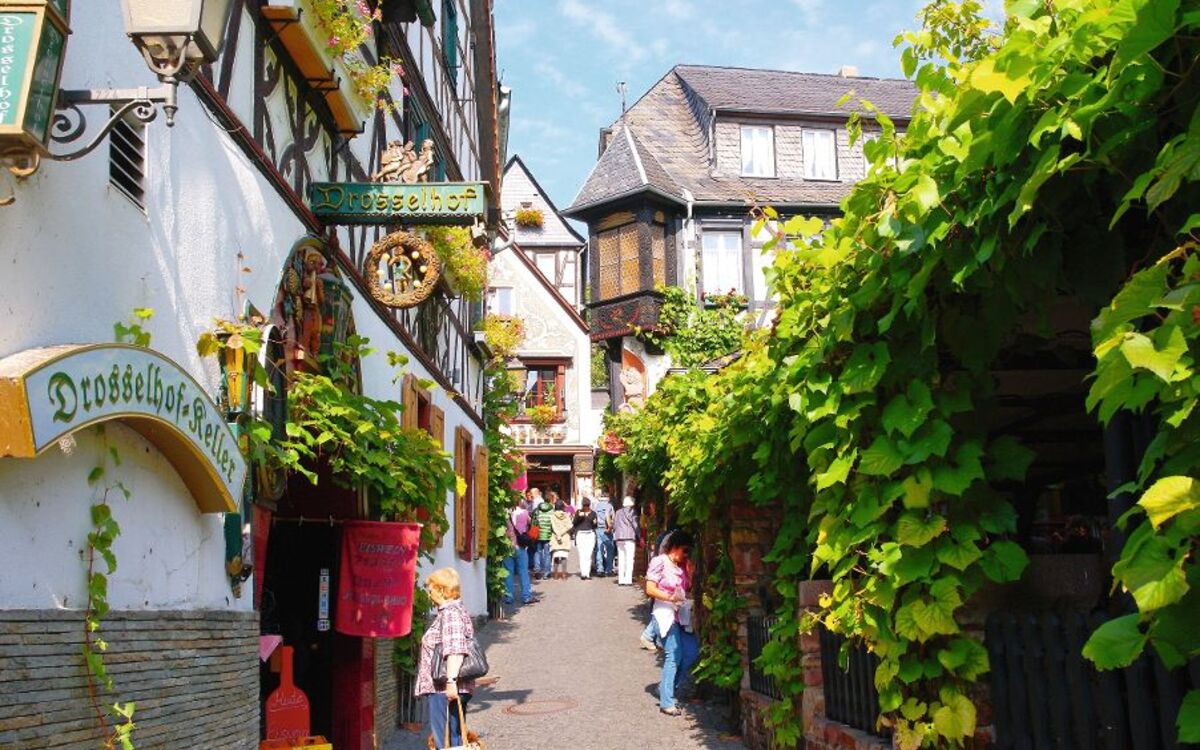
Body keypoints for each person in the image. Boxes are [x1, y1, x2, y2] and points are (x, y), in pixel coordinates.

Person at [416, 568, 476, 747]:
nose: (429, 594)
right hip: (446, 687)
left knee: (446, 741)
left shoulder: (450, 613)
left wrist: (451, 682)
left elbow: (456, 649)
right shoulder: (451, 611)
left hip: (444, 688)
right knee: (452, 740)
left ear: (441, 590)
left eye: (431, 589)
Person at [645, 532, 699, 716]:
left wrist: (690, 574)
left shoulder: (682, 566)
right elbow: (650, 589)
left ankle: (665, 687)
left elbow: (686, 589)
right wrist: (670, 598)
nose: (686, 555)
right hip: (664, 615)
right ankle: (667, 702)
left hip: (681, 616)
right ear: (675, 547)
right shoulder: (659, 561)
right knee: (673, 655)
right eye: (685, 550)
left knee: (691, 652)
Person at [503, 496, 535, 606]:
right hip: (521, 545)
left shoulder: (504, 514)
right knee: (523, 571)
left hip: (508, 546)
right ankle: (526, 596)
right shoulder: (524, 512)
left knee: (508, 572)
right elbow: (530, 523)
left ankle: (509, 596)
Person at [612, 496, 639, 585]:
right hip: (629, 537)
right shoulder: (632, 512)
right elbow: (635, 525)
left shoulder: (618, 512)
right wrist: (639, 536)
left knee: (621, 558)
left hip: (619, 537)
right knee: (629, 559)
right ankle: (628, 579)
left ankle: (621, 579)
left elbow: (614, 525)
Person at [571, 498, 599, 579]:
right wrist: (579, 517)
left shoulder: (593, 513)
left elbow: (595, 525)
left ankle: (587, 573)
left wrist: (593, 521)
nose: (585, 507)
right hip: (580, 534)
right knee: (582, 554)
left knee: (589, 554)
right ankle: (583, 573)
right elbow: (574, 523)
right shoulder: (578, 512)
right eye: (584, 505)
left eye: (587, 505)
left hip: (590, 534)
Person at [532, 490, 555, 580]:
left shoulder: (537, 510)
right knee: (547, 554)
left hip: (538, 535)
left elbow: (534, 522)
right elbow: (553, 524)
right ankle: (546, 573)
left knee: (537, 552)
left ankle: (537, 571)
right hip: (548, 535)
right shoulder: (552, 510)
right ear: (550, 500)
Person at [549, 499, 574, 580]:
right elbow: (570, 526)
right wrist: (562, 533)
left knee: (556, 556)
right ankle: (564, 575)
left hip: (555, 537)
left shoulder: (552, 515)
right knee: (564, 556)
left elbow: (553, 526)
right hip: (565, 537)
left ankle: (555, 575)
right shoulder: (566, 515)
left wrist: (558, 534)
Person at [592, 492, 616, 577]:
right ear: (607, 497)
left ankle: (600, 569)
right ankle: (609, 569)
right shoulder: (609, 506)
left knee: (599, 549)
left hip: (598, 529)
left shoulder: (596, 506)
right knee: (610, 549)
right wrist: (610, 526)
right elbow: (609, 516)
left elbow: (594, 518)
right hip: (606, 529)